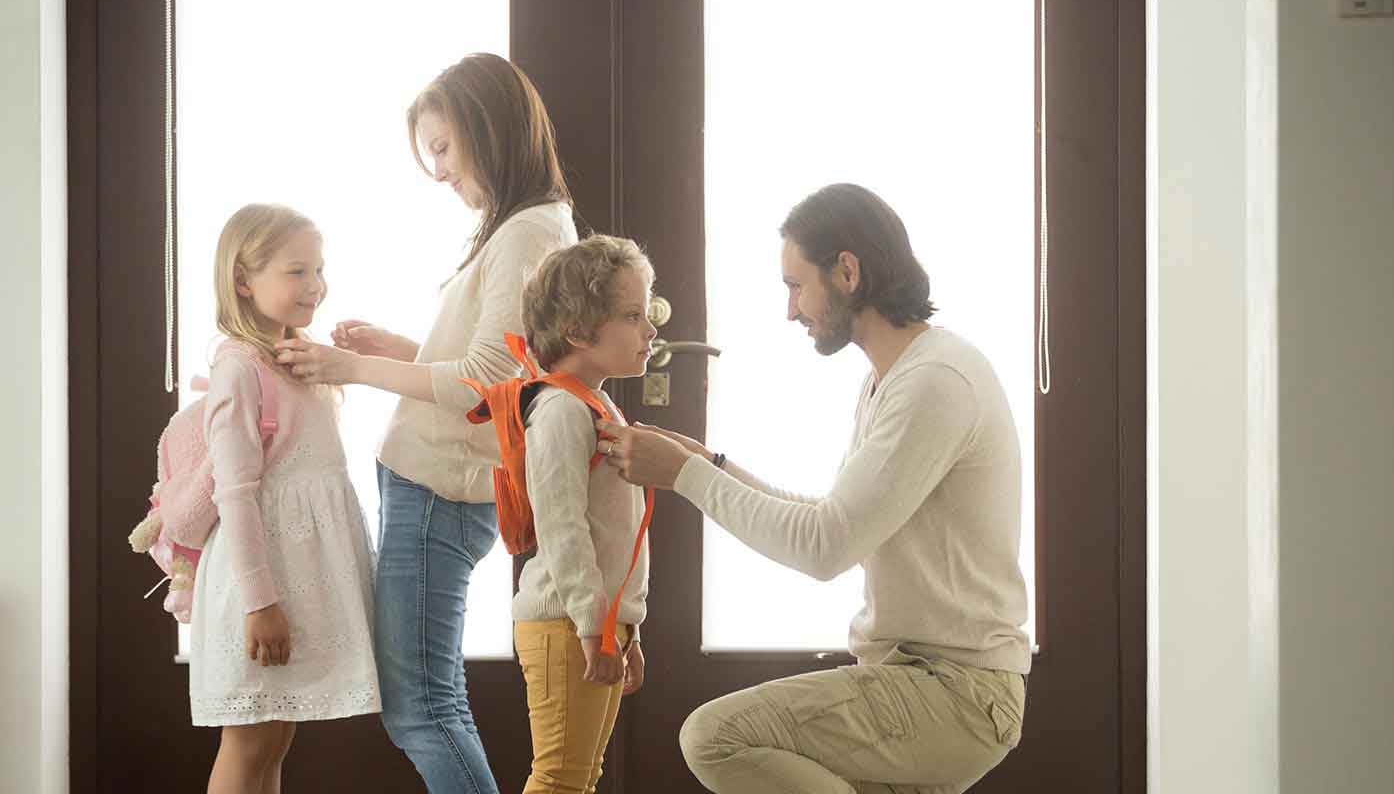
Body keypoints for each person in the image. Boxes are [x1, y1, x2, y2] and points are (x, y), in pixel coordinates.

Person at [598, 183, 1030, 793]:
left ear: (847, 271)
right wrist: (712, 464)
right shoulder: (893, 379)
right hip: (921, 679)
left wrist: (684, 475)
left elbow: (823, 548)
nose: (791, 309)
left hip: (956, 690)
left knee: (715, 737)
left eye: (796, 286)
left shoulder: (935, 383)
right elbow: (835, 520)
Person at [272, 53, 578, 792]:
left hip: (441, 494)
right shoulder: (516, 227)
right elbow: (489, 364)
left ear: (487, 130)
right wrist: (403, 350)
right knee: (426, 703)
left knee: (423, 709)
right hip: (435, 490)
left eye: (443, 148)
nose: (438, 171)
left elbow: (487, 379)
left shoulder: (528, 231)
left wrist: (350, 369)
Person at [191, 203, 381, 794]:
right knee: (248, 741)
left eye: (319, 270)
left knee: (275, 739)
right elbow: (237, 493)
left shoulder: (298, 358)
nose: (316, 285)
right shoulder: (239, 368)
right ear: (244, 280)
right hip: (262, 584)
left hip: (300, 580)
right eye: (297, 271)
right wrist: (260, 602)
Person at [512, 234, 655, 793]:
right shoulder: (561, 409)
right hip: (565, 622)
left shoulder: (595, 402)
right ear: (577, 330)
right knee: (560, 779)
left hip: (591, 620)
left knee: (579, 776)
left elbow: (612, 535)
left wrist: (627, 628)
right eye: (632, 315)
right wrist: (597, 628)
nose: (650, 330)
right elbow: (563, 528)